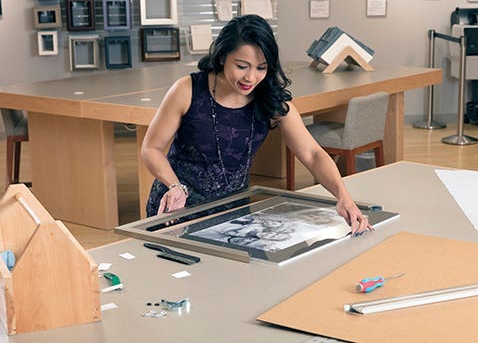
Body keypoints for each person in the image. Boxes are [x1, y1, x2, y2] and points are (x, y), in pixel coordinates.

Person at [141, 14, 372, 235]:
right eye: (242, 66)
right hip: (176, 210)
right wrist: (174, 186)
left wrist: (343, 197)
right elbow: (151, 149)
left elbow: (312, 154)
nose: (251, 78)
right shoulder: (187, 90)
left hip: (233, 214)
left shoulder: (270, 101)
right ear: (222, 57)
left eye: (261, 68)